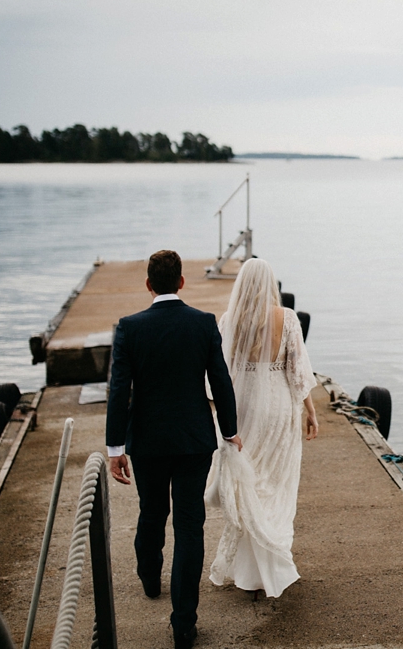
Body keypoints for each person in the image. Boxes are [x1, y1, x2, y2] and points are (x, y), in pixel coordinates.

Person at [106, 250, 243, 649]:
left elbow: (119, 392)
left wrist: (116, 447)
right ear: (181, 282)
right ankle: (184, 622)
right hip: (192, 441)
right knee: (189, 525)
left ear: (148, 284)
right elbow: (221, 381)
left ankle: (150, 577)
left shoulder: (129, 328)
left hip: (146, 442)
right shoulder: (202, 323)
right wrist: (230, 429)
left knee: (152, 511)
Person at [205, 257, 319, 599]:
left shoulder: (230, 320)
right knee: (276, 484)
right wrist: (311, 412)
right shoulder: (288, 319)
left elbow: (222, 374)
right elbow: (298, 374)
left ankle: (249, 573)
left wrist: (219, 412)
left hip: (243, 408)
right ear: (271, 283)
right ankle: (273, 564)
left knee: (249, 485)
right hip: (280, 407)